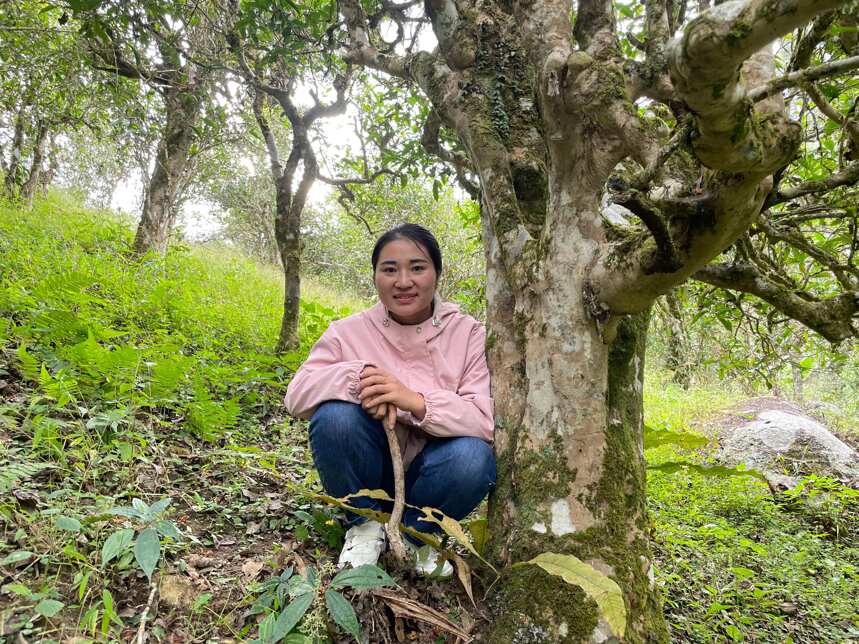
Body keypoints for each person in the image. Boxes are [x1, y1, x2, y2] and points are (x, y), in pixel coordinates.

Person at [284, 223, 496, 576]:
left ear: (437, 274)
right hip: (371, 467)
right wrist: (360, 378)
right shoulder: (348, 331)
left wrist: (415, 401)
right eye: (389, 269)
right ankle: (364, 527)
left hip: (436, 475)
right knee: (334, 416)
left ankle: (416, 538)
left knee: (475, 457)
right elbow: (297, 395)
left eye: (417, 267)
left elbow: (482, 420)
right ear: (375, 276)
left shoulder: (470, 335)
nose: (403, 282)